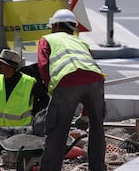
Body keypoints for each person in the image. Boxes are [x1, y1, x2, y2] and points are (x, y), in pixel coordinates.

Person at [37, 9, 107, 171]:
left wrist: (52, 89)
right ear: (73, 27)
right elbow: (86, 73)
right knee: (97, 128)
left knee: (57, 130)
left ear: (55, 25)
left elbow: (43, 66)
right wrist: (85, 115)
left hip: (67, 80)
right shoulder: (81, 42)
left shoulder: (48, 39)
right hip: (96, 79)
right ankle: (98, 168)